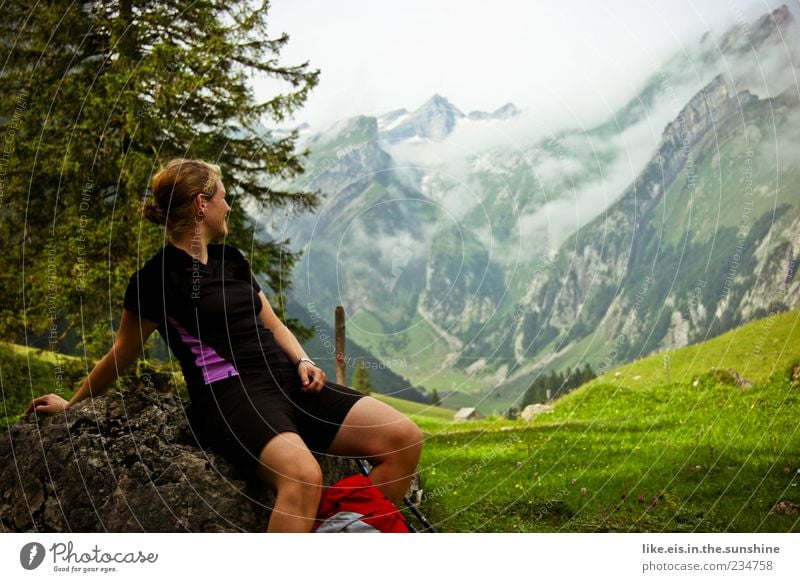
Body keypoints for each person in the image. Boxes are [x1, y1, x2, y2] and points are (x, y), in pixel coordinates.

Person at [26, 158, 424, 533]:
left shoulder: (231, 259)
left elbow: (271, 322)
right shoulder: (153, 280)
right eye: (222, 197)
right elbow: (122, 353)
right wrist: (72, 406)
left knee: (403, 439)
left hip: (288, 380)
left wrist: (303, 359)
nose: (228, 206)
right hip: (231, 394)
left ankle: (337, 534)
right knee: (303, 477)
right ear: (202, 204)